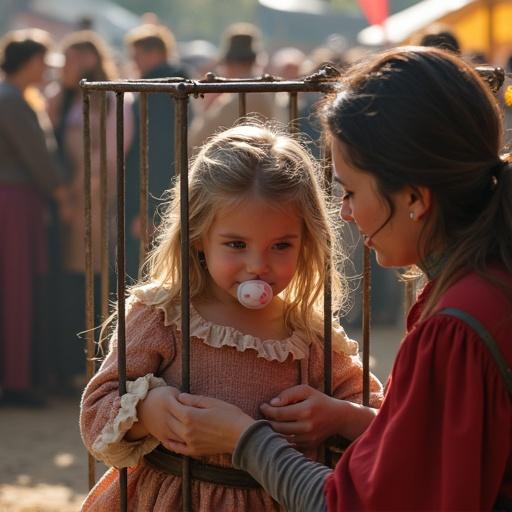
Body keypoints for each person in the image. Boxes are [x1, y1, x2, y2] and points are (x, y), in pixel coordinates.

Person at [163, 47, 512, 511]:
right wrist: (349, 418)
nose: (345, 213)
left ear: (414, 197)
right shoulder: (487, 283)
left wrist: (244, 438)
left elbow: (353, 504)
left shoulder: (458, 325)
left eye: (350, 191)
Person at [79, 123, 382, 511]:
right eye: (236, 244)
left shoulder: (311, 335)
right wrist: (148, 411)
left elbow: (379, 419)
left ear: (307, 242)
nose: (258, 266)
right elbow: (96, 411)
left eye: (281, 246)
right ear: (199, 238)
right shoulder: (163, 316)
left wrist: (337, 415)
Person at [45, 30, 134, 394]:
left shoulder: (114, 101)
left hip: (98, 206)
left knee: (94, 281)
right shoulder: (57, 100)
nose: (64, 67)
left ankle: (94, 367)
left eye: (71, 59)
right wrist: (60, 194)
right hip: (59, 204)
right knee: (61, 283)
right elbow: (45, 147)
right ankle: (62, 366)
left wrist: (80, 194)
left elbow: (112, 157)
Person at [0, 28, 66, 406]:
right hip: (14, 203)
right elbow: (37, 159)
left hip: (16, 201)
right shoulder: (11, 100)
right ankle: (17, 380)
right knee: (17, 290)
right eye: (43, 60)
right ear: (28, 62)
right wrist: (61, 195)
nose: (48, 67)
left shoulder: (15, 97)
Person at [123, 23, 188, 280]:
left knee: (149, 268)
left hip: (153, 192)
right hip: (163, 190)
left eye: (137, 56)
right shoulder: (174, 83)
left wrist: (148, 209)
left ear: (153, 53)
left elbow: (157, 150)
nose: (135, 63)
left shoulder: (160, 89)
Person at [188, 22, 275, 152]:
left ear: (229, 62)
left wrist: (207, 108)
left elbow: (195, 140)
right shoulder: (265, 92)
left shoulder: (232, 99)